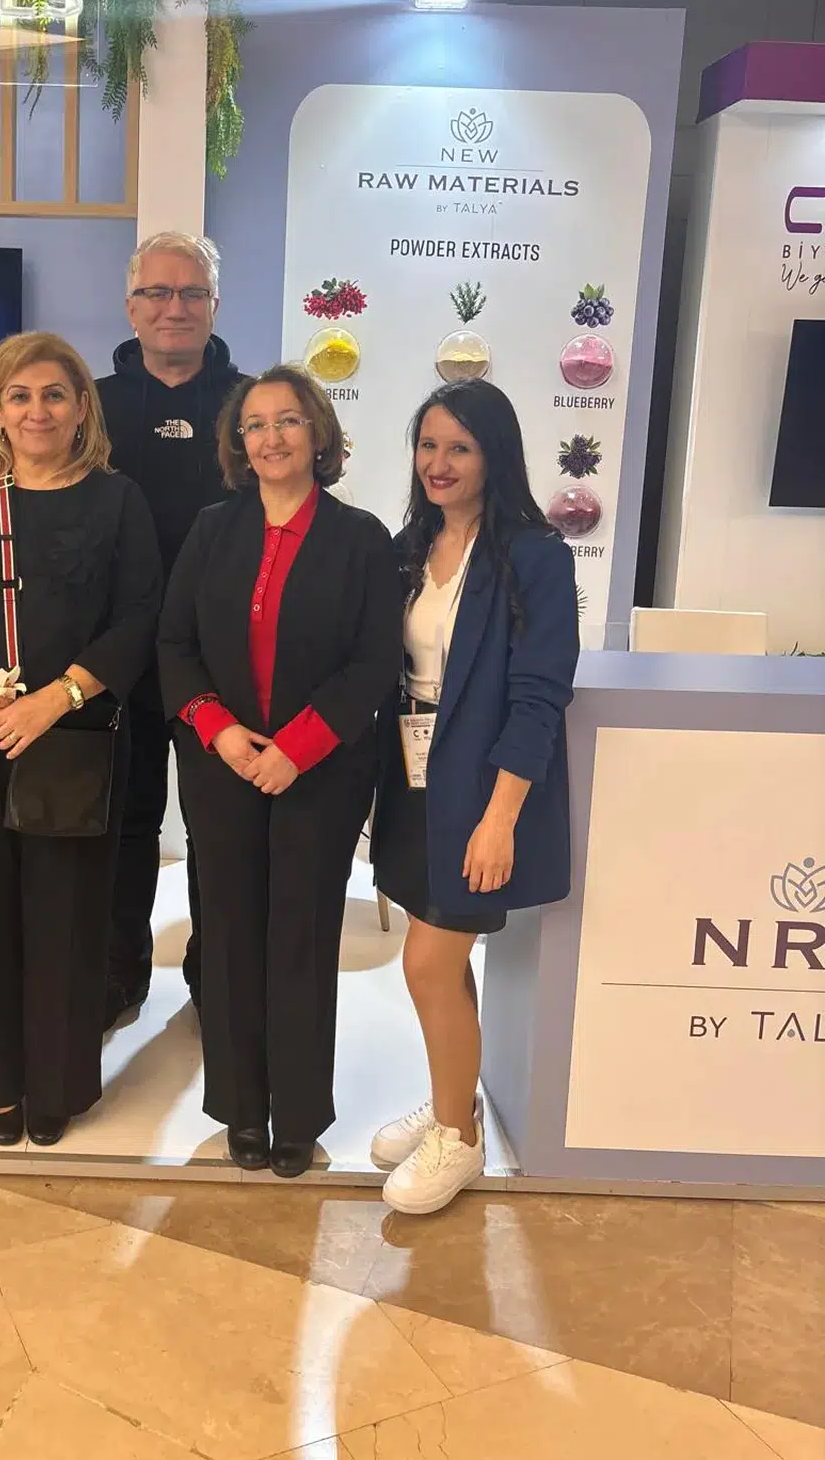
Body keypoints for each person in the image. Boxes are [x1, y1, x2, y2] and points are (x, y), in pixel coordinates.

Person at [0, 332, 161, 1148]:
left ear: (82, 408)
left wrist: (56, 697)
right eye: (19, 395)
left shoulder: (118, 500)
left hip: (71, 735)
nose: (36, 410)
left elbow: (138, 617)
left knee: (66, 914)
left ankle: (56, 1081)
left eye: (54, 394)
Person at [159, 366, 403, 1177]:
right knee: (229, 934)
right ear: (239, 442)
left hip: (322, 772)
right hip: (222, 765)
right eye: (256, 424)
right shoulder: (210, 531)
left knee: (301, 935)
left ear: (319, 432)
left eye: (289, 420)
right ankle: (241, 1107)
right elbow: (174, 644)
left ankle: (296, 1112)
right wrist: (220, 730)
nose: (272, 437)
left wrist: (298, 747)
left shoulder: (361, 538)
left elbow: (374, 661)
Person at [369, 381, 579, 1215]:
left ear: (495, 455)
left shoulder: (535, 555)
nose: (439, 463)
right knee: (442, 965)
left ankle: (457, 1139)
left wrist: (500, 817)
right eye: (428, 445)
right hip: (412, 776)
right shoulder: (407, 547)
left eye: (460, 447)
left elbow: (538, 696)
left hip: (481, 784)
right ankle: (453, 1099)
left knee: (426, 962)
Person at [97, 231, 245, 1028]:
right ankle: (118, 972)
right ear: (131, 307)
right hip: (116, 659)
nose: (174, 307)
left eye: (191, 293)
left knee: (219, 833)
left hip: (225, 663)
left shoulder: (254, 406)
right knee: (123, 824)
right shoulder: (88, 406)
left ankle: (213, 973)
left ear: (214, 307)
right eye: (157, 292)